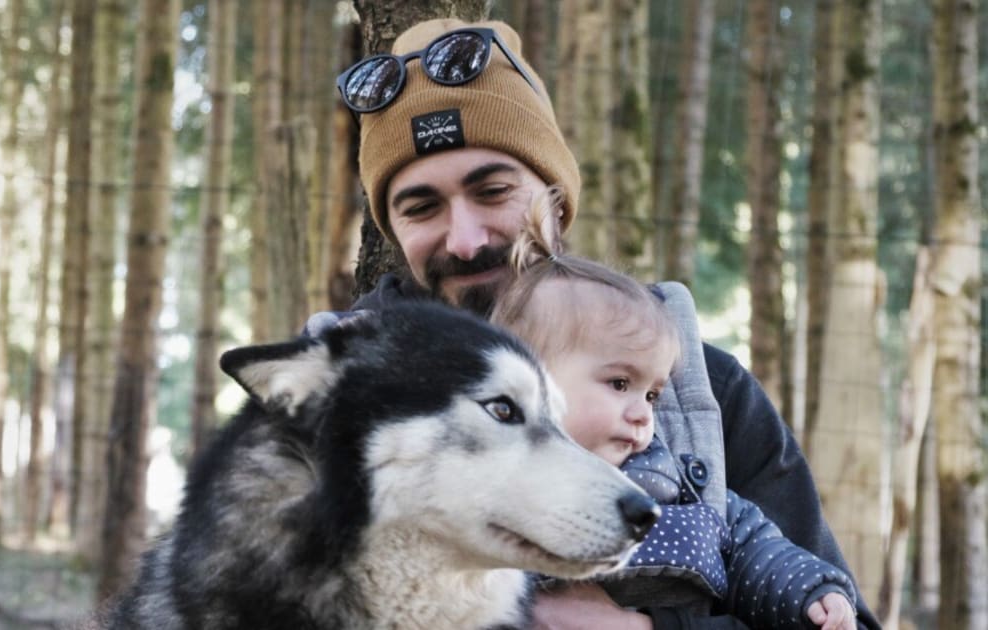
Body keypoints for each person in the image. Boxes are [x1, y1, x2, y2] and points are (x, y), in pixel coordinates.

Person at [323, 16, 881, 629]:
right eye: (422, 206)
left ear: (556, 198)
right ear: (392, 226)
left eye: (493, 191)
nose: (464, 239)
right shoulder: (327, 393)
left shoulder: (699, 390)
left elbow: (840, 619)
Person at [486, 189, 858, 630]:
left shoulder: (673, 480)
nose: (644, 414)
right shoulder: (488, 483)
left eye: (652, 395)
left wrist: (811, 592)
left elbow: (750, 546)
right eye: (619, 383)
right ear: (529, 376)